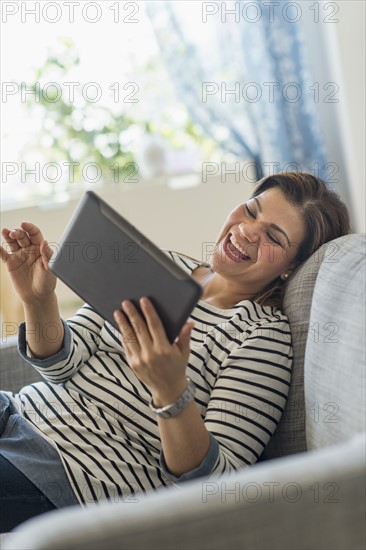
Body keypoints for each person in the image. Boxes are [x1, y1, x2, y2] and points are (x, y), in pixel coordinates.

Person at [0, 172, 351, 531]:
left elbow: (216, 485)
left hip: (70, 470)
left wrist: (170, 391)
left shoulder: (261, 337)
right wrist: (38, 300)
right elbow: (61, 366)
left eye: (274, 236)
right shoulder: (166, 267)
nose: (248, 230)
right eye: (250, 210)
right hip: (16, 411)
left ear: (290, 267)